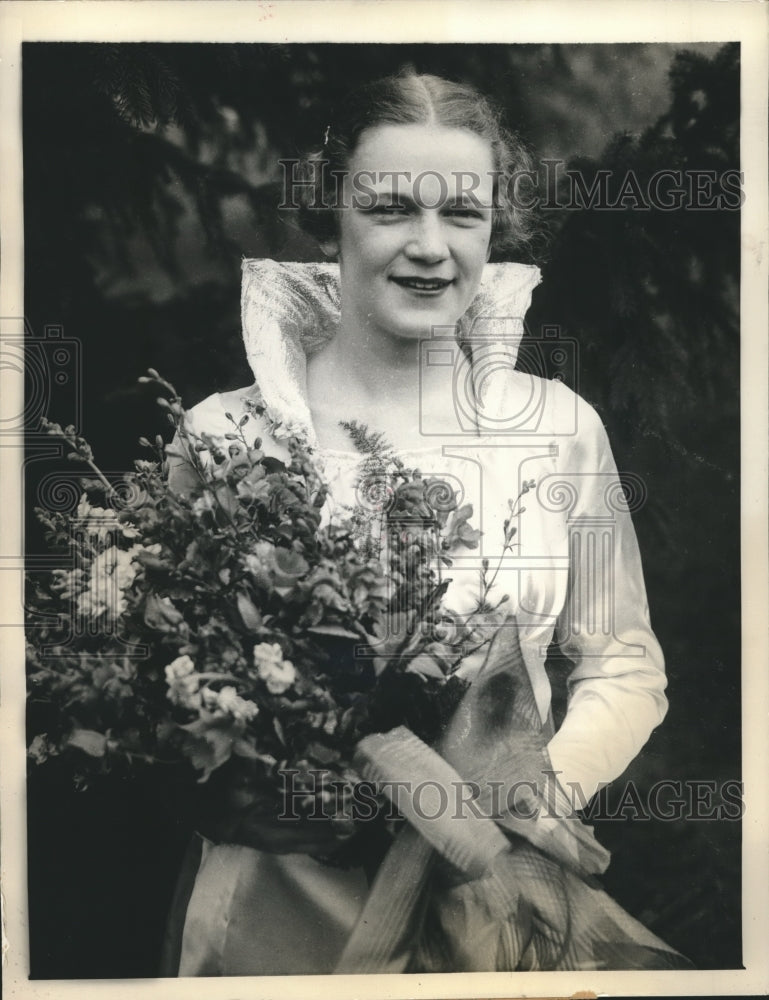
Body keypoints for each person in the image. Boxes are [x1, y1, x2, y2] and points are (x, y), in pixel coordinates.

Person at [163, 71, 681, 975]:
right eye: (391, 207)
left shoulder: (558, 430)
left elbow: (624, 660)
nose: (429, 248)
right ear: (333, 211)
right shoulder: (223, 437)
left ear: (495, 228)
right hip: (274, 920)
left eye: (463, 216)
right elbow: (161, 685)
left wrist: (534, 791)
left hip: (492, 906)